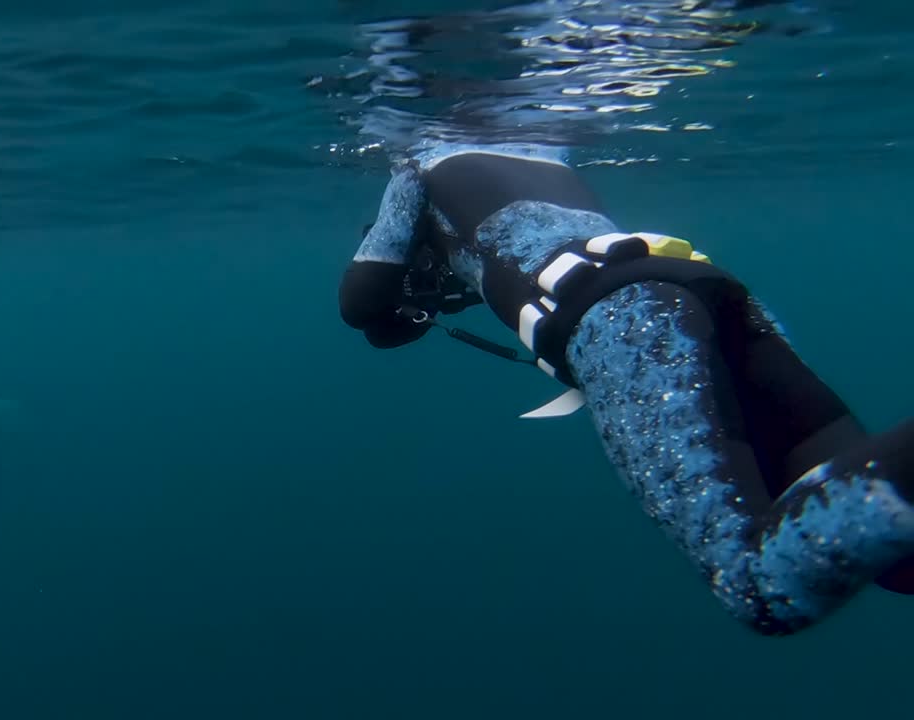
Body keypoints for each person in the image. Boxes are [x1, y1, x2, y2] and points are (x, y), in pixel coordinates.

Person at [338, 145, 914, 636]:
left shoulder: (420, 167)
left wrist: (411, 279)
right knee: (895, 560)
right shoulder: (547, 157)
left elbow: (360, 304)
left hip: (624, 322)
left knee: (761, 588)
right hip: (705, 288)